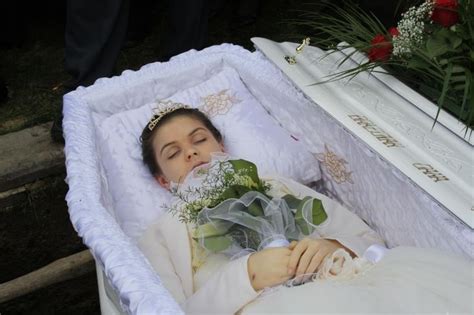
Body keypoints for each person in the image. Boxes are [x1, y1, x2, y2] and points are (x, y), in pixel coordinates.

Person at [138, 103, 473, 314]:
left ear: (220, 145)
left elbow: (364, 236)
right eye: (172, 153)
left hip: (343, 282)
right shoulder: (161, 234)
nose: (192, 154)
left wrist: (333, 245)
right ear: (162, 180)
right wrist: (248, 276)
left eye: (199, 140)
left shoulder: (271, 183)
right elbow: (172, 309)